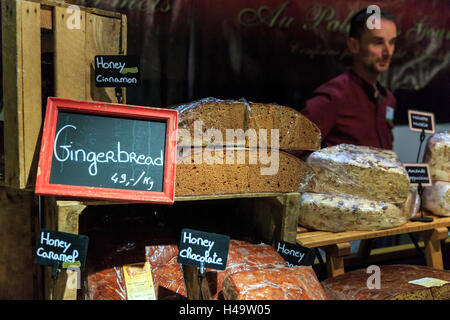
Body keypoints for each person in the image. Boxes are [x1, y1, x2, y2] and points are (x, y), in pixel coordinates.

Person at [301, 8, 398, 150]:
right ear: (354, 45)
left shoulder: (388, 99)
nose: (388, 52)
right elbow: (293, 150)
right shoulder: (333, 97)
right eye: (378, 42)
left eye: (392, 42)